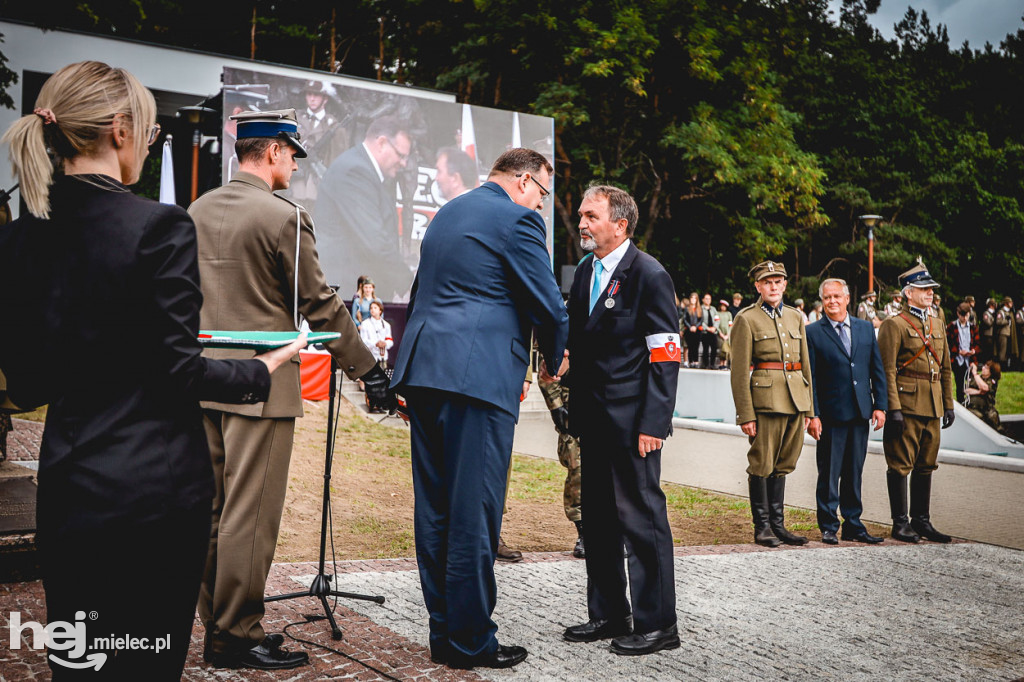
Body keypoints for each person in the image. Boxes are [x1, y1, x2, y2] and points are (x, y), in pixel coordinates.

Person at [0, 61, 306, 679]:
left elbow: (28, 383)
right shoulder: (158, 226)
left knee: (81, 663)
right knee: (143, 662)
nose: (149, 141)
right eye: (150, 130)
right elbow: (180, 373)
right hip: (152, 497)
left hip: (67, 486)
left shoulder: (20, 236)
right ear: (118, 128)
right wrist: (264, 367)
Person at [189, 109, 387, 670]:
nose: (295, 167)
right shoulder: (284, 217)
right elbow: (320, 306)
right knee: (248, 515)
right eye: (292, 155)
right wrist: (368, 370)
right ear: (273, 151)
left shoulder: (197, 209)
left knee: (209, 511)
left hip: (199, 379)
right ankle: (236, 633)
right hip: (262, 384)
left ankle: (218, 626)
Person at [390, 148, 568, 670]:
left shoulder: (448, 212)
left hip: (426, 373)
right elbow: (550, 303)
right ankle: (471, 642)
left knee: (436, 510)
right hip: (478, 378)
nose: (541, 204)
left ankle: (444, 634)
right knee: (474, 513)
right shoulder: (517, 219)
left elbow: (422, 292)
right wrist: (553, 360)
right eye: (542, 191)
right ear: (523, 179)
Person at [562, 185, 680, 657]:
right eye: (581, 215)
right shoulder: (587, 271)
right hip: (592, 421)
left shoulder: (648, 274)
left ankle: (658, 625)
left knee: (642, 520)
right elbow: (578, 338)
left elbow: (666, 353)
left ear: (621, 225)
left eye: (591, 216)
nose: (582, 223)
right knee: (600, 521)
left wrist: (655, 422)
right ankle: (610, 612)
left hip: (634, 425)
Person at [729, 261, 813, 548]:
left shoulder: (795, 317)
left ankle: (778, 525)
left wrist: (809, 409)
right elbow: (739, 371)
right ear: (758, 286)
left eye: (778, 281)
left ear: (785, 285)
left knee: (784, 463)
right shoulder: (746, 318)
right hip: (765, 402)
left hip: (795, 399)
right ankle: (762, 527)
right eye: (767, 282)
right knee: (762, 463)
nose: (773, 286)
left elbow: (805, 365)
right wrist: (745, 414)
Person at [805, 279, 887, 545]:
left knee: (854, 471)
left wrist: (880, 405)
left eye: (837, 296)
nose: (832, 301)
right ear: (822, 301)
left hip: (860, 412)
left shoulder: (865, 329)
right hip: (830, 415)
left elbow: (877, 369)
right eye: (827, 297)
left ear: (847, 298)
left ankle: (853, 524)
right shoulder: (813, 333)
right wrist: (813, 414)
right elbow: (812, 379)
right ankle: (828, 525)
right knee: (829, 473)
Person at [878, 260, 954, 544]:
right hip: (907, 404)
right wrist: (893, 407)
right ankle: (900, 523)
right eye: (924, 289)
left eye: (931, 289)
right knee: (900, 464)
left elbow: (945, 366)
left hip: (933, 403)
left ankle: (921, 520)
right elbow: (886, 369)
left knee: (926, 464)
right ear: (908, 293)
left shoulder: (937, 322)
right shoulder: (894, 324)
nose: (930, 293)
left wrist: (948, 403)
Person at [314, 115, 414, 300]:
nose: (404, 163)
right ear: (382, 143)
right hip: (346, 293)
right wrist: (409, 284)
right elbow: (374, 240)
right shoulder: (355, 171)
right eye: (401, 155)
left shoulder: (365, 170)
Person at [538, 368, 584, 558]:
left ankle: (612, 531)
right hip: (573, 399)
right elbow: (550, 364)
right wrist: (556, 405)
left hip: (609, 398)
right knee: (578, 469)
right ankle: (584, 532)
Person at [289, 79, 348, 213]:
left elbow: (337, 161)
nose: (312, 98)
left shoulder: (334, 126)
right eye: (309, 94)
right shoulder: (295, 119)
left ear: (325, 99)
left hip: (318, 186)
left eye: (316, 95)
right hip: (295, 182)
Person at [947, 302, 979, 404]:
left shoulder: (973, 327)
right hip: (958, 360)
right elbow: (948, 344)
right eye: (962, 315)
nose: (964, 318)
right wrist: (959, 352)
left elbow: (978, 344)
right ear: (958, 314)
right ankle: (961, 403)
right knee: (959, 384)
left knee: (971, 383)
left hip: (970, 361)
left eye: (966, 315)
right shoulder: (952, 326)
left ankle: (971, 404)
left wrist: (973, 350)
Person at [966, 361, 1001, 430]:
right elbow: (967, 390)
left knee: (992, 419)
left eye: (986, 368)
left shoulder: (992, 380)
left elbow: (985, 388)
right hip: (973, 408)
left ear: (991, 371)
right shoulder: (976, 378)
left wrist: (975, 374)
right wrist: (979, 392)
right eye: (984, 366)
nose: (983, 368)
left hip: (987, 410)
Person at [359, 300, 393, 367]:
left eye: (375, 308)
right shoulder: (365, 324)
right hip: (370, 357)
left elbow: (390, 340)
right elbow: (363, 341)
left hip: (382, 357)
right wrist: (375, 344)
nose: (372, 310)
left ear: (380, 311)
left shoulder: (386, 325)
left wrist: (385, 343)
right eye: (371, 308)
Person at [699, 292, 719, 368]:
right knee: (705, 349)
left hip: (713, 331)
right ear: (703, 300)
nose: (708, 300)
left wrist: (714, 327)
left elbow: (717, 319)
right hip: (705, 332)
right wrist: (707, 328)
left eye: (709, 299)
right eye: (706, 299)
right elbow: (700, 320)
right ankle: (706, 364)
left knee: (714, 348)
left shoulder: (713, 309)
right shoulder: (700, 308)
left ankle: (712, 364)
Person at [994, 297, 1016, 366]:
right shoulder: (1001, 312)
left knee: (1007, 350)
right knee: (1002, 350)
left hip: (1009, 333)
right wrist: (1006, 321)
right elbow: (998, 322)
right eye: (1010, 302)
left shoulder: (1010, 312)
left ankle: (1006, 364)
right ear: (1006, 303)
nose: (1011, 304)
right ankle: (1001, 364)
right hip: (1003, 333)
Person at [681, 292, 701, 367]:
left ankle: (696, 361)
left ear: (697, 300)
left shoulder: (699, 309)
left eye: (695, 298)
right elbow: (685, 319)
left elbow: (701, 320)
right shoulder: (687, 308)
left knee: (696, 346)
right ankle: (691, 361)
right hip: (689, 330)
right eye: (692, 298)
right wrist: (690, 327)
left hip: (697, 329)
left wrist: (696, 326)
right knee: (690, 346)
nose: (693, 299)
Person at [716, 300, 733, 369]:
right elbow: (716, 324)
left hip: (727, 335)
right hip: (720, 335)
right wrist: (720, 333)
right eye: (722, 306)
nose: (723, 307)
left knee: (727, 349)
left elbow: (730, 325)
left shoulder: (728, 314)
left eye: (724, 306)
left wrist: (728, 334)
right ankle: (721, 363)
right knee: (721, 349)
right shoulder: (717, 314)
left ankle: (725, 364)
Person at [980, 298, 997, 362]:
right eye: (993, 304)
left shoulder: (994, 313)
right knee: (988, 350)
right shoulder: (986, 313)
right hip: (988, 334)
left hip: (993, 334)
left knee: (992, 350)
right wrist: (993, 318)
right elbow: (988, 323)